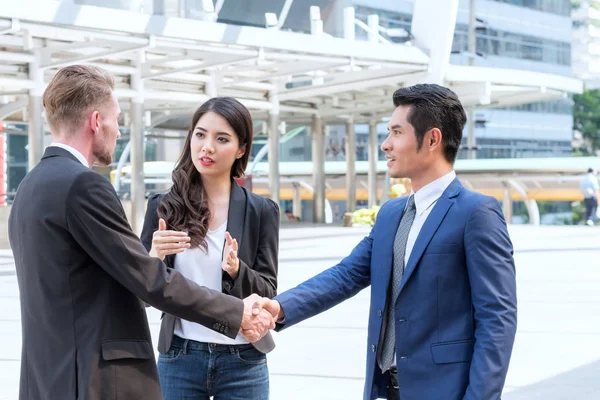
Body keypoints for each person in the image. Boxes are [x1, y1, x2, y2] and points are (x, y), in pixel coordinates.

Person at [8, 65, 273, 400]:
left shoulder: (30, 185)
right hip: (90, 379)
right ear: (95, 121)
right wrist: (235, 313)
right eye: (116, 119)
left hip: (49, 376)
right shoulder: (84, 185)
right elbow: (149, 279)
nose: (118, 131)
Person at [260, 84, 518, 400]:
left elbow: (497, 319)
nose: (386, 145)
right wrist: (278, 307)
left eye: (397, 133)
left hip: (446, 391)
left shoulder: (476, 212)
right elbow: (347, 275)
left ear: (433, 139)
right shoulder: (391, 213)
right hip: (388, 389)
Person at [140, 97, 279, 400]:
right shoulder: (163, 207)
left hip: (243, 360)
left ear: (241, 149)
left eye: (222, 139)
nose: (207, 147)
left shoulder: (261, 211)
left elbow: (268, 291)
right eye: (200, 134)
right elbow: (140, 293)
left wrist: (238, 270)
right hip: (180, 357)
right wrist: (154, 257)